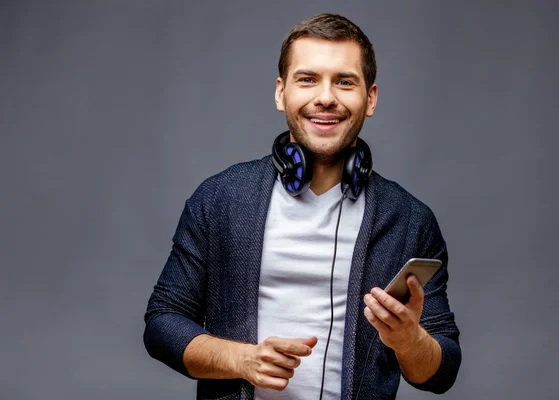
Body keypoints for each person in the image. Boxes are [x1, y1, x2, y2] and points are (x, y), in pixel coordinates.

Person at [144, 13, 461, 400]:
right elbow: (162, 323)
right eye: (308, 79)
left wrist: (410, 341)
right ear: (281, 93)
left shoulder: (410, 221)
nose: (325, 97)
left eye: (344, 82)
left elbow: (442, 370)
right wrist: (241, 359)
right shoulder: (221, 198)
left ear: (371, 98)